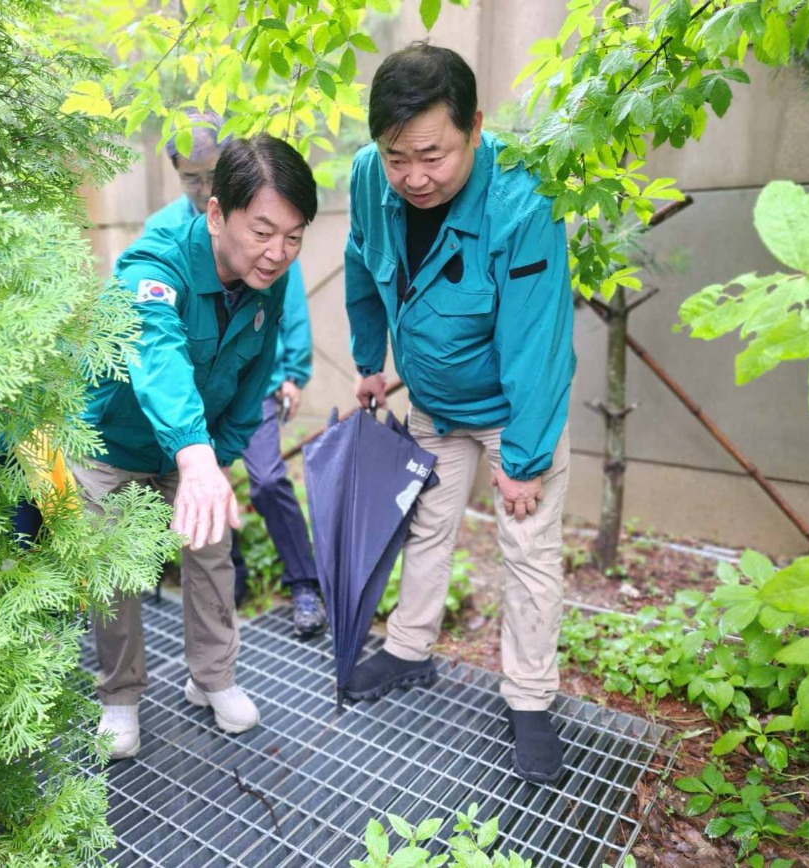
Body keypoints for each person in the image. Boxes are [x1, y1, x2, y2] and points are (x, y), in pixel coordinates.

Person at [342, 43, 576, 784]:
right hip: (434, 407)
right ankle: (411, 649)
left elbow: (539, 340)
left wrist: (528, 459)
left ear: (475, 127)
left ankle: (531, 699)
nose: (413, 177)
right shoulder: (365, 179)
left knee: (528, 549)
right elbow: (358, 260)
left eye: (433, 155)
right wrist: (369, 359)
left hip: (513, 411)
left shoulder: (523, 201)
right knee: (425, 527)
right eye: (395, 157)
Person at [72, 133, 318, 760]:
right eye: (263, 231)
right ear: (216, 213)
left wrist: (220, 451)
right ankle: (119, 695)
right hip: (114, 444)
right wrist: (195, 452)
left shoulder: (273, 279)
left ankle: (213, 678)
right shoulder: (153, 265)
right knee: (115, 570)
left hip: (195, 449)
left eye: (294, 237)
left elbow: (255, 369)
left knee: (212, 553)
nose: (277, 253)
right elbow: (157, 353)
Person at [145, 110, 327, 640]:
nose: (202, 188)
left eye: (212, 173)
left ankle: (304, 584)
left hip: (253, 378)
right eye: (190, 177)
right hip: (189, 393)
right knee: (201, 482)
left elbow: (285, 300)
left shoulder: (264, 222)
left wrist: (293, 371)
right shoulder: (162, 232)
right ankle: (235, 579)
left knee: (268, 477)